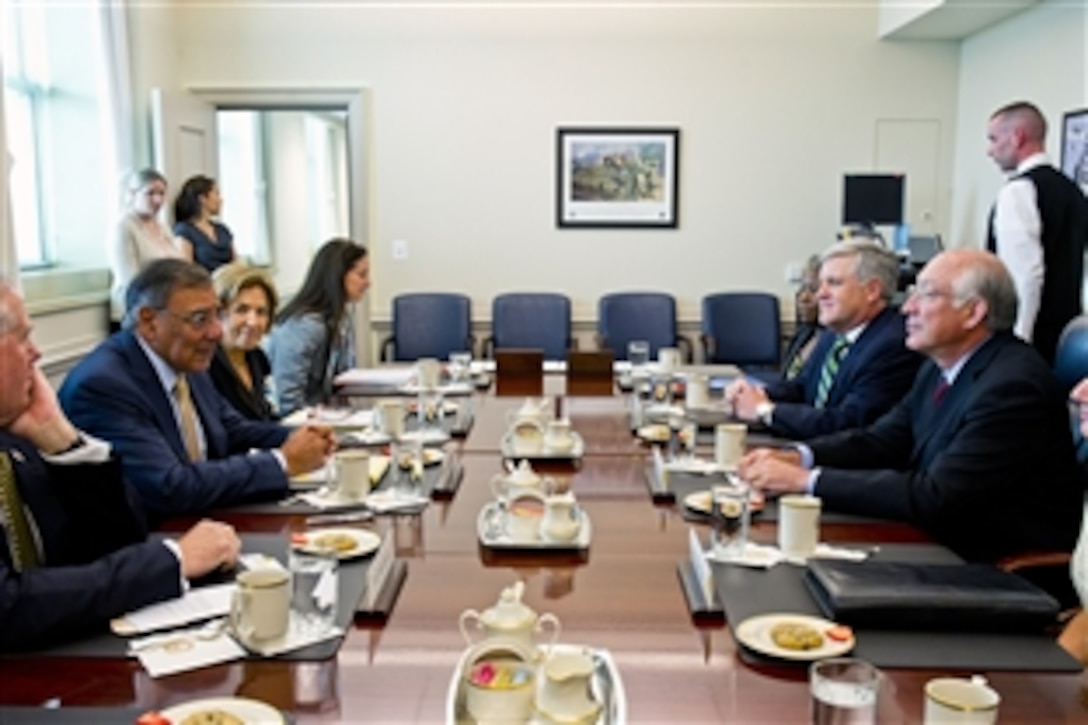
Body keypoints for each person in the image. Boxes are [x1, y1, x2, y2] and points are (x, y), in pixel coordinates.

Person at [739, 249, 1083, 563]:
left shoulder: (1012, 386)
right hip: (931, 538)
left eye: (927, 294)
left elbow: (936, 496)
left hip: (990, 563)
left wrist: (805, 480)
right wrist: (799, 456)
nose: (907, 307)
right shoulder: (939, 365)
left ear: (973, 312)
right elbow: (881, 440)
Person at [0, 278, 241, 651]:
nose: (36, 354)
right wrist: (172, 562)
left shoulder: (18, 434)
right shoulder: (104, 380)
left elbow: (120, 542)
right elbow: (8, 606)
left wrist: (63, 442)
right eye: (22, 339)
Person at [59, 259, 333, 522]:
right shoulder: (104, 386)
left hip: (207, 521)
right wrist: (282, 462)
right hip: (155, 543)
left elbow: (234, 430)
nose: (215, 331)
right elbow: (168, 486)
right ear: (149, 322)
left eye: (216, 315)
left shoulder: (186, 359)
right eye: (200, 319)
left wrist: (304, 437)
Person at [725, 239, 922, 440]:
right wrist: (754, 393)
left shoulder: (893, 346)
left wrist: (764, 411)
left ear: (872, 290)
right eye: (821, 284)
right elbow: (802, 387)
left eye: (834, 283)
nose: (820, 294)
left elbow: (846, 423)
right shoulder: (836, 333)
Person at [986, 101, 1088, 364]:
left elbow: (1025, 276)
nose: (990, 150)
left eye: (994, 139)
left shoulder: (1018, 192)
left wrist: (1017, 345)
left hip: (1029, 338)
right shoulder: (1073, 192)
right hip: (1065, 334)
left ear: (1017, 137)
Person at [266, 239, 369, 416]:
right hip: (297, 424)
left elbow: (340, 382)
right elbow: (288, 400)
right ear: (338, 276)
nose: (368, 283)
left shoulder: (340, 317)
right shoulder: (304, 326)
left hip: (325, 416)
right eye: (362, 275)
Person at [109, 169, 185, 328]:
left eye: (162, 193)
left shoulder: (163, 227)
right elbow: (130, 280)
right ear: (132, 194)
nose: (157, 200)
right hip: (135, 313)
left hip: (166, 309)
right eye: (150, 193)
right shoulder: (123, 227)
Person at [210, 263, 278, 421]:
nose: (253, 322)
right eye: (242, 310)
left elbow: (267, 415)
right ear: (219, 313)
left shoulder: (257, 357)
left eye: (261, 312)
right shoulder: (206, 366)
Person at [173, 175, 236, 273]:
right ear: (202, 199)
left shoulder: (223, 230)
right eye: (216, 194)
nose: (220, 200)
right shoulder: (185, 230)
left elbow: (236, 264)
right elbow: (185, 271)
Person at [780, 254, 823, 380]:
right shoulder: (806, 331)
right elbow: (786, 379)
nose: (803, 298)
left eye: (813, 290)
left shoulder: (836, 342)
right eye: (802, 288)